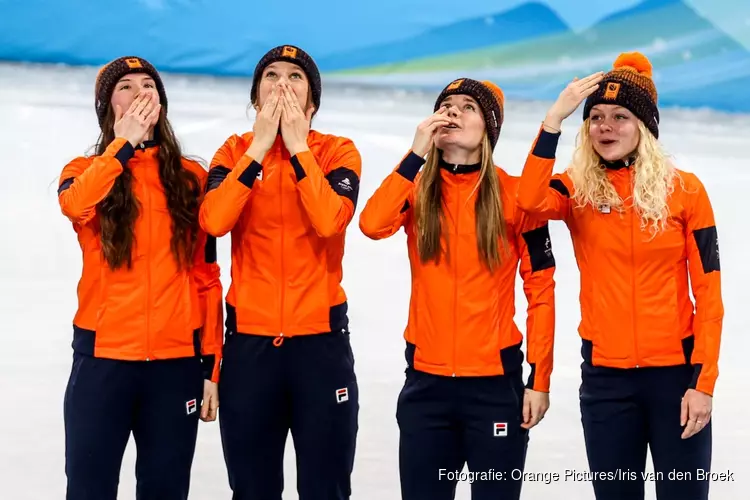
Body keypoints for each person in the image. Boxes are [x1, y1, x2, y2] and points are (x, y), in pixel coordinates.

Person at [516, 51, 722, 500]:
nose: (605, 127)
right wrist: (553, 120)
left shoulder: (686, 191)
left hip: (676, 380)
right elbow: (528, 198)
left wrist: (701, 385)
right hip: (606, 382)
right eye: (596, 118)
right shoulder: (576, 188)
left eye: (621, 117)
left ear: (645, 126)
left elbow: (709, 295)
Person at [359, 78, 557, 500]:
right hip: (426, 385)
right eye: (446, 105)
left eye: (467, 107)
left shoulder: (517, 196)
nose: (452, 112)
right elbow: (372, 224)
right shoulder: (415, 189)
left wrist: (540, 378)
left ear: (489, 127)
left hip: (494, 387)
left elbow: (541, 291)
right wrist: (415, 155)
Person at [57, 56, 224, 499]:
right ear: (107, 105)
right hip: (103, 362)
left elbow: (207, 276)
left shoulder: (192, 178)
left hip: (174, 368)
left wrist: (211, 366)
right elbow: (76, 206)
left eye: (148, 84)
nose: (140, 93)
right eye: (125, 87)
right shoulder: (82, 171)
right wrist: (121, 147)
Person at [199, 45, 361, 499]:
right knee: (252, 489)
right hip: (250, 349)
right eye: (271, 76)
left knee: (325, 489)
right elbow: (214, 221)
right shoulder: (233, 152)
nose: (282, 85)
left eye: (295, 77)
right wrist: (257, 151)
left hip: (320, 347)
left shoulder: (337, 152)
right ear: (255, 98)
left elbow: (330, 220)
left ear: (313, 101)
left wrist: (296, 148)